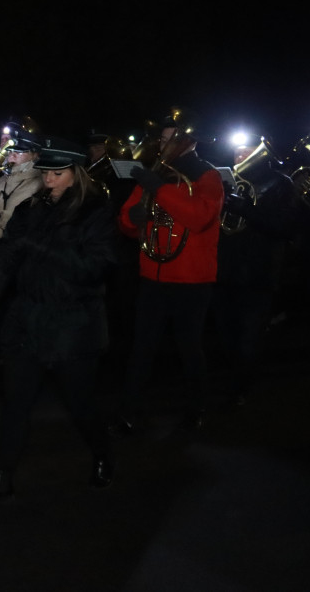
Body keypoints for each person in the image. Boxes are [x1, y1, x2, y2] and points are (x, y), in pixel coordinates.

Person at [0, 137, 118, 502]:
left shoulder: (95, 211)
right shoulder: (33, 209)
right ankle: (1, 477)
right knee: (15, 403)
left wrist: (42, 248)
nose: (48, 180)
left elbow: (95, 269)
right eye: (46, 172)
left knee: (80, 404)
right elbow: (8, 252)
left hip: (73, 324)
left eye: (57, 173)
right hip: (27, 319)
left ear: (76, 175)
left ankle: (102, 456)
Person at [113, 109, 224, 434]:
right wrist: (133, 218)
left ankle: (196, 407)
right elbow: (125, 222)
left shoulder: (207, 175)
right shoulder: (157, 171)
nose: (162, 145)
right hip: (153, 274)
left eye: (168, 139)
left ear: (188, 141)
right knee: (142, 348)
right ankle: (127, 411)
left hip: (192, 279)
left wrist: (158, 189)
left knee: (189, 347)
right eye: (162, 139)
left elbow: (198, 216)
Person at [212, 136, 298, 406]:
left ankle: (241, 389)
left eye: (248, 153)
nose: (241, 159)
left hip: (258, 271)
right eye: (237, 154)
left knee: (249, 335)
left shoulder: (281, 184)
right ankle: (236, 381)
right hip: (226, 269)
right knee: (227, 333)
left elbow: (284, 227)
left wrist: (246, 208)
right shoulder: (229, 182)